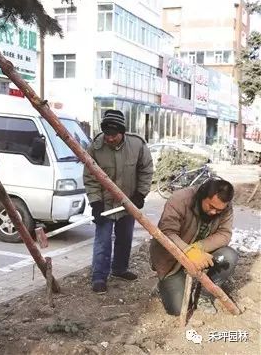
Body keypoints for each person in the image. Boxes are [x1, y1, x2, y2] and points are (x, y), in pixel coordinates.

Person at [83, 109, 153, 294]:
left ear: (122, 132)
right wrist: (95, 203)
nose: (110, 138)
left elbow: (146, 170)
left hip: (127, 202)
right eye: (107, 134)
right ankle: (99, 276)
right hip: (105, 204)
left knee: (125, 238)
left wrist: (140, 195)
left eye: (114, 135)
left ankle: (120, 269)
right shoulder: (95, 147)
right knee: (103, 241)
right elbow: (90, 177)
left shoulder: (137, 145)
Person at [150, 178, 238, 315]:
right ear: (202, 196)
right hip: (173, 260)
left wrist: (198, 248)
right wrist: (187, 251)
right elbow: (166, 233)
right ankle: (164, 286)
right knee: (177, 310)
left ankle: (204, 295)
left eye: (219, 210)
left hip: (202, 252)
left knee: (228, 257)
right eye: (211, 207)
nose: (214, 212)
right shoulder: (180, 199)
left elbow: (224, 234)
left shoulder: (225, 207)